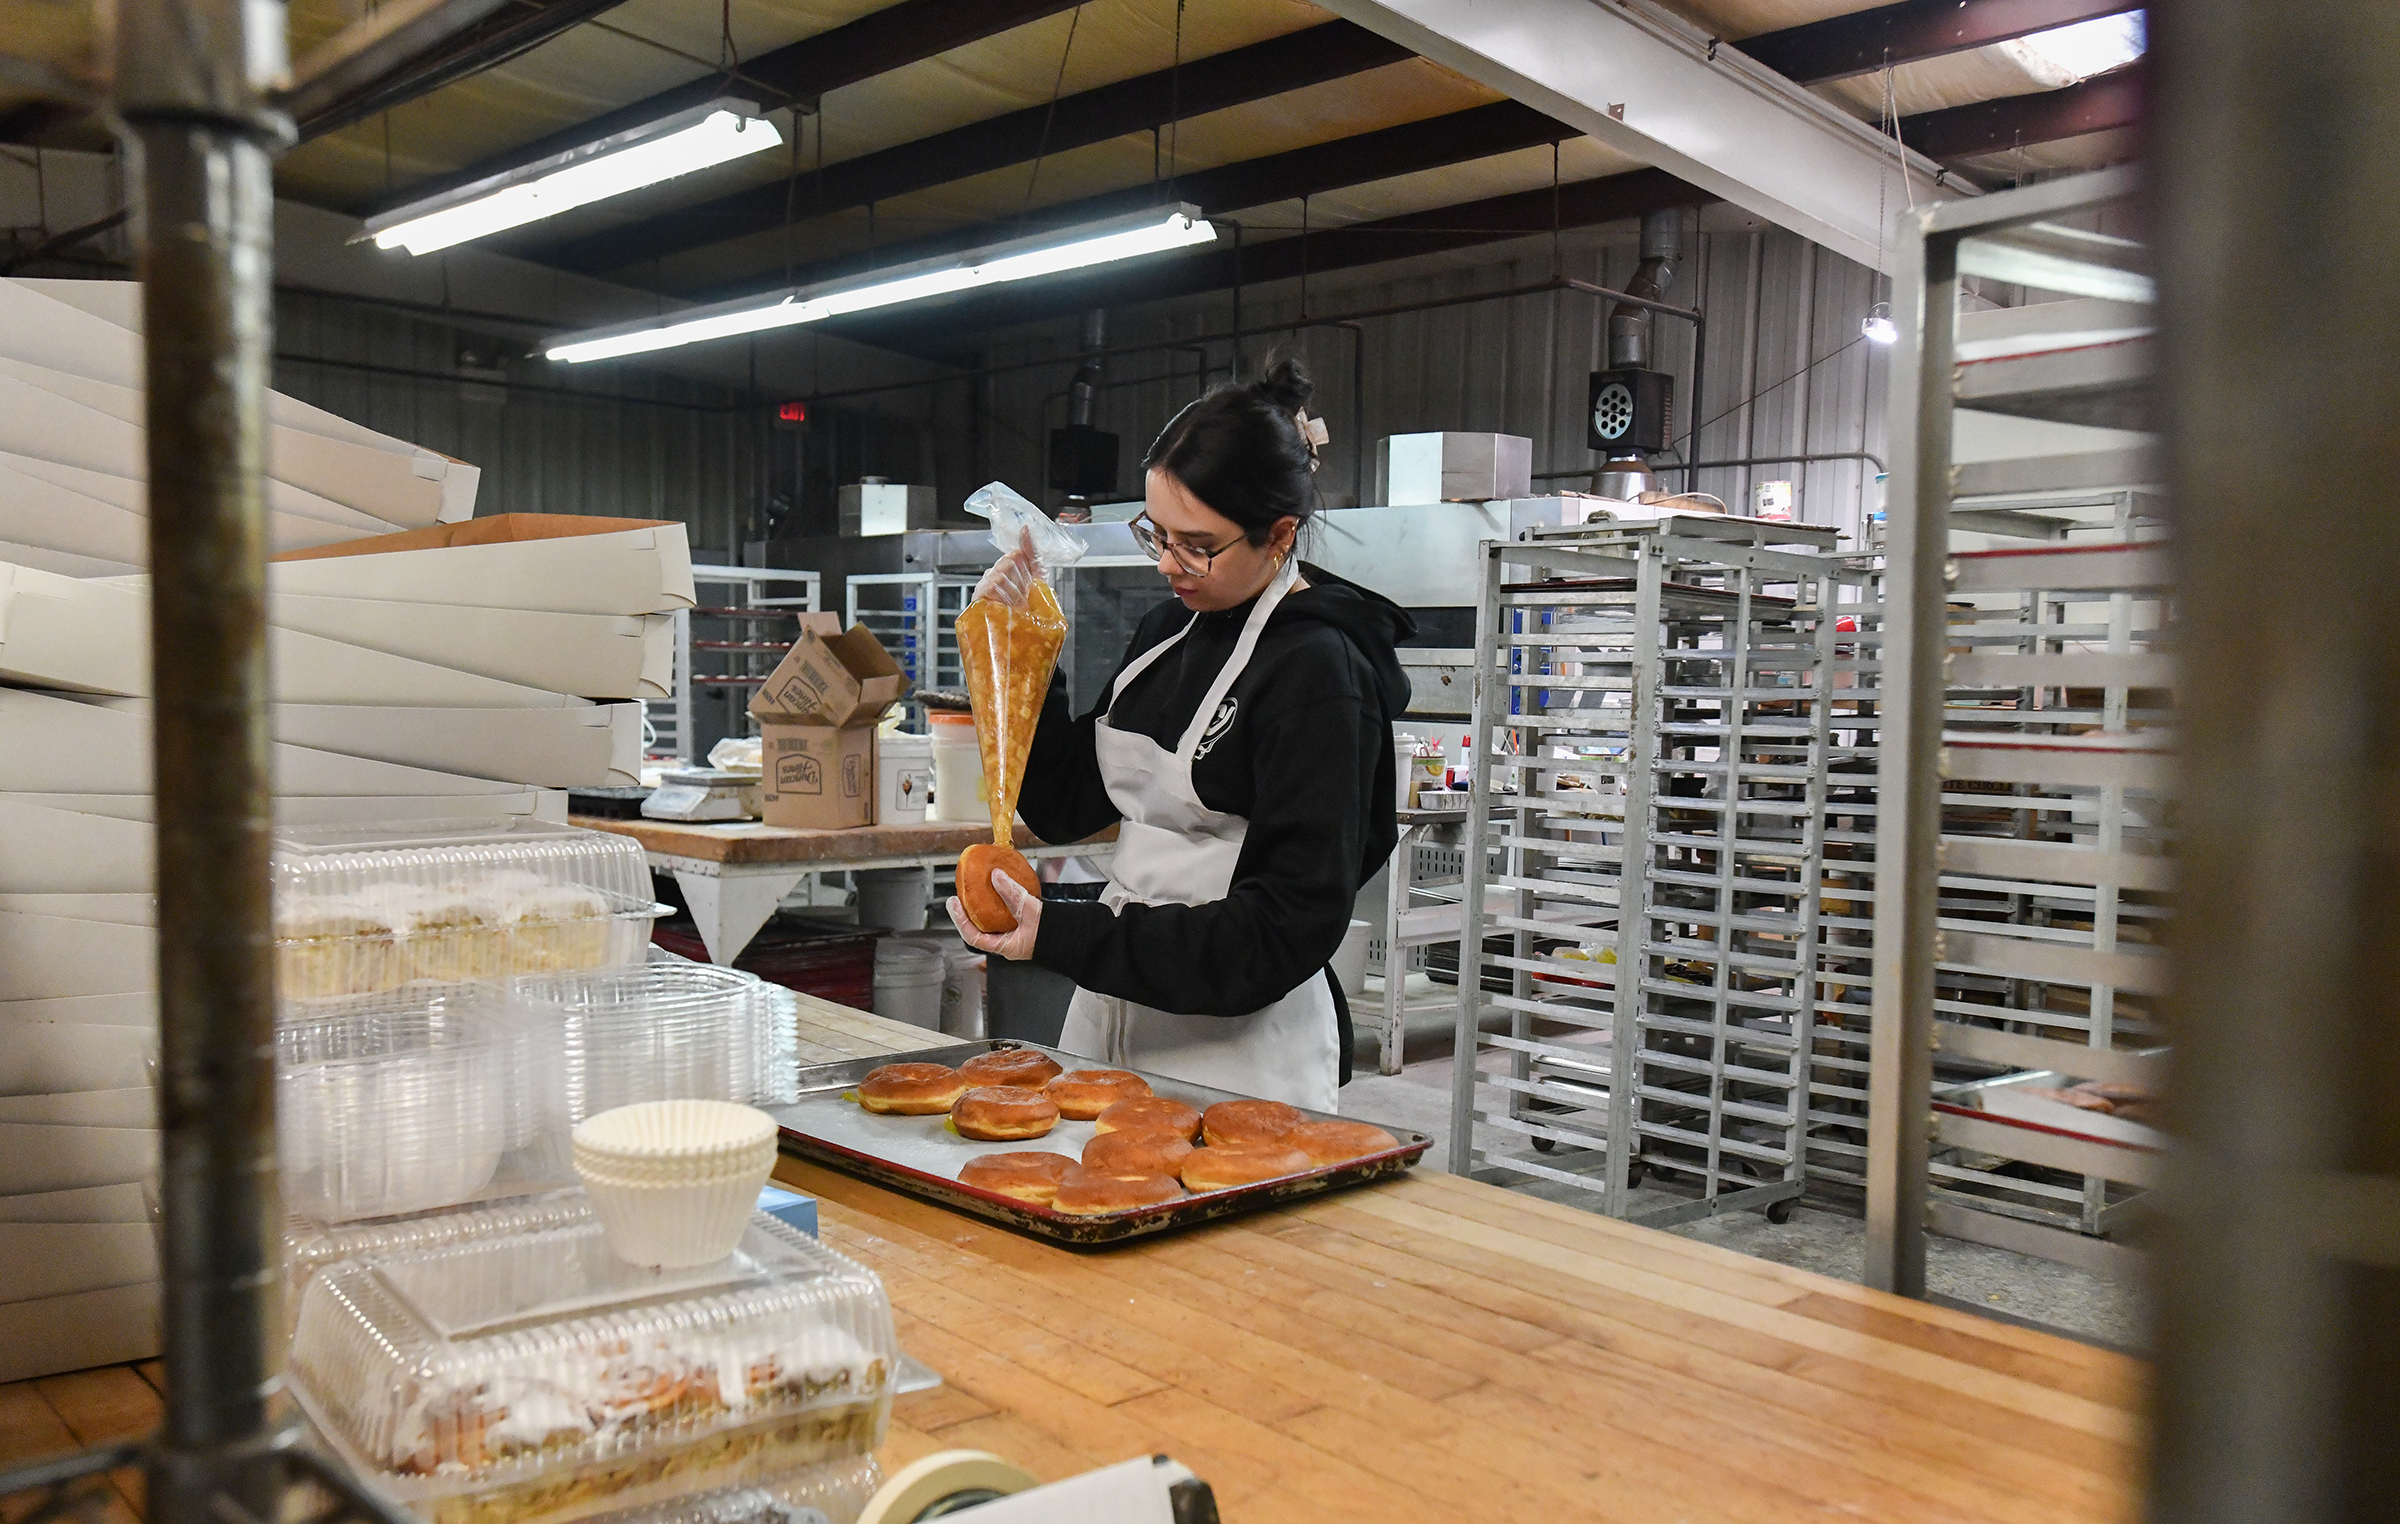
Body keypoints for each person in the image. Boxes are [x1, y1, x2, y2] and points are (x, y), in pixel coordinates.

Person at [944, 358, 1413, 1111]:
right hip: (1110, 1018)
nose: (1167, 564)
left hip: (1240, 1052)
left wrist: (1064, 936)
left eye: (1196, 544)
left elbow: (1279, 931)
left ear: (1278, 534)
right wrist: (1018, 656)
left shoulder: (1317, 673)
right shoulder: (1169, 632)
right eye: (1156, 534)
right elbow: (1062, 805)